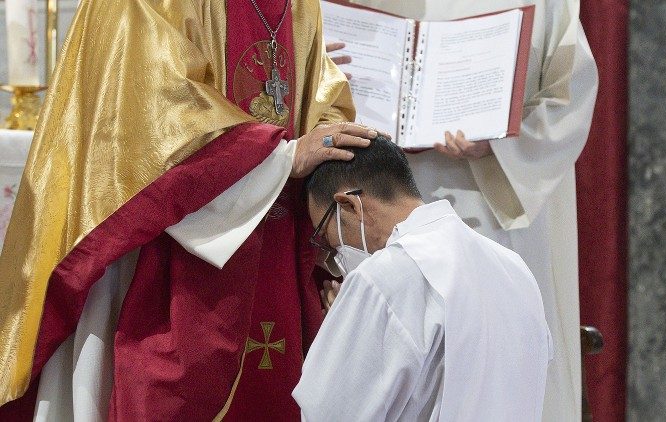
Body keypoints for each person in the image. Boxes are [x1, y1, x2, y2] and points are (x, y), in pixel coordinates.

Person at [0, 0, 385, 420]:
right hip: (160, 242)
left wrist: (331, 135)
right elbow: (150, 107)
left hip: (275, 243)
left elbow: (319, 95)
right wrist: (283, 159)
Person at [338, 1, 598, 419]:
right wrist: (322, 78)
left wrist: (498, 142)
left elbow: (570, 98)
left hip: (491, 205)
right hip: (379, 201)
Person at [292, 136, 552, 421]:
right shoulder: (513, 268)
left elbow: (329, 413)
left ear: (350, 205)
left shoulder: (382, 276)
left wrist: (347, 322)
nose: (336, 255)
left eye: (327, 237)